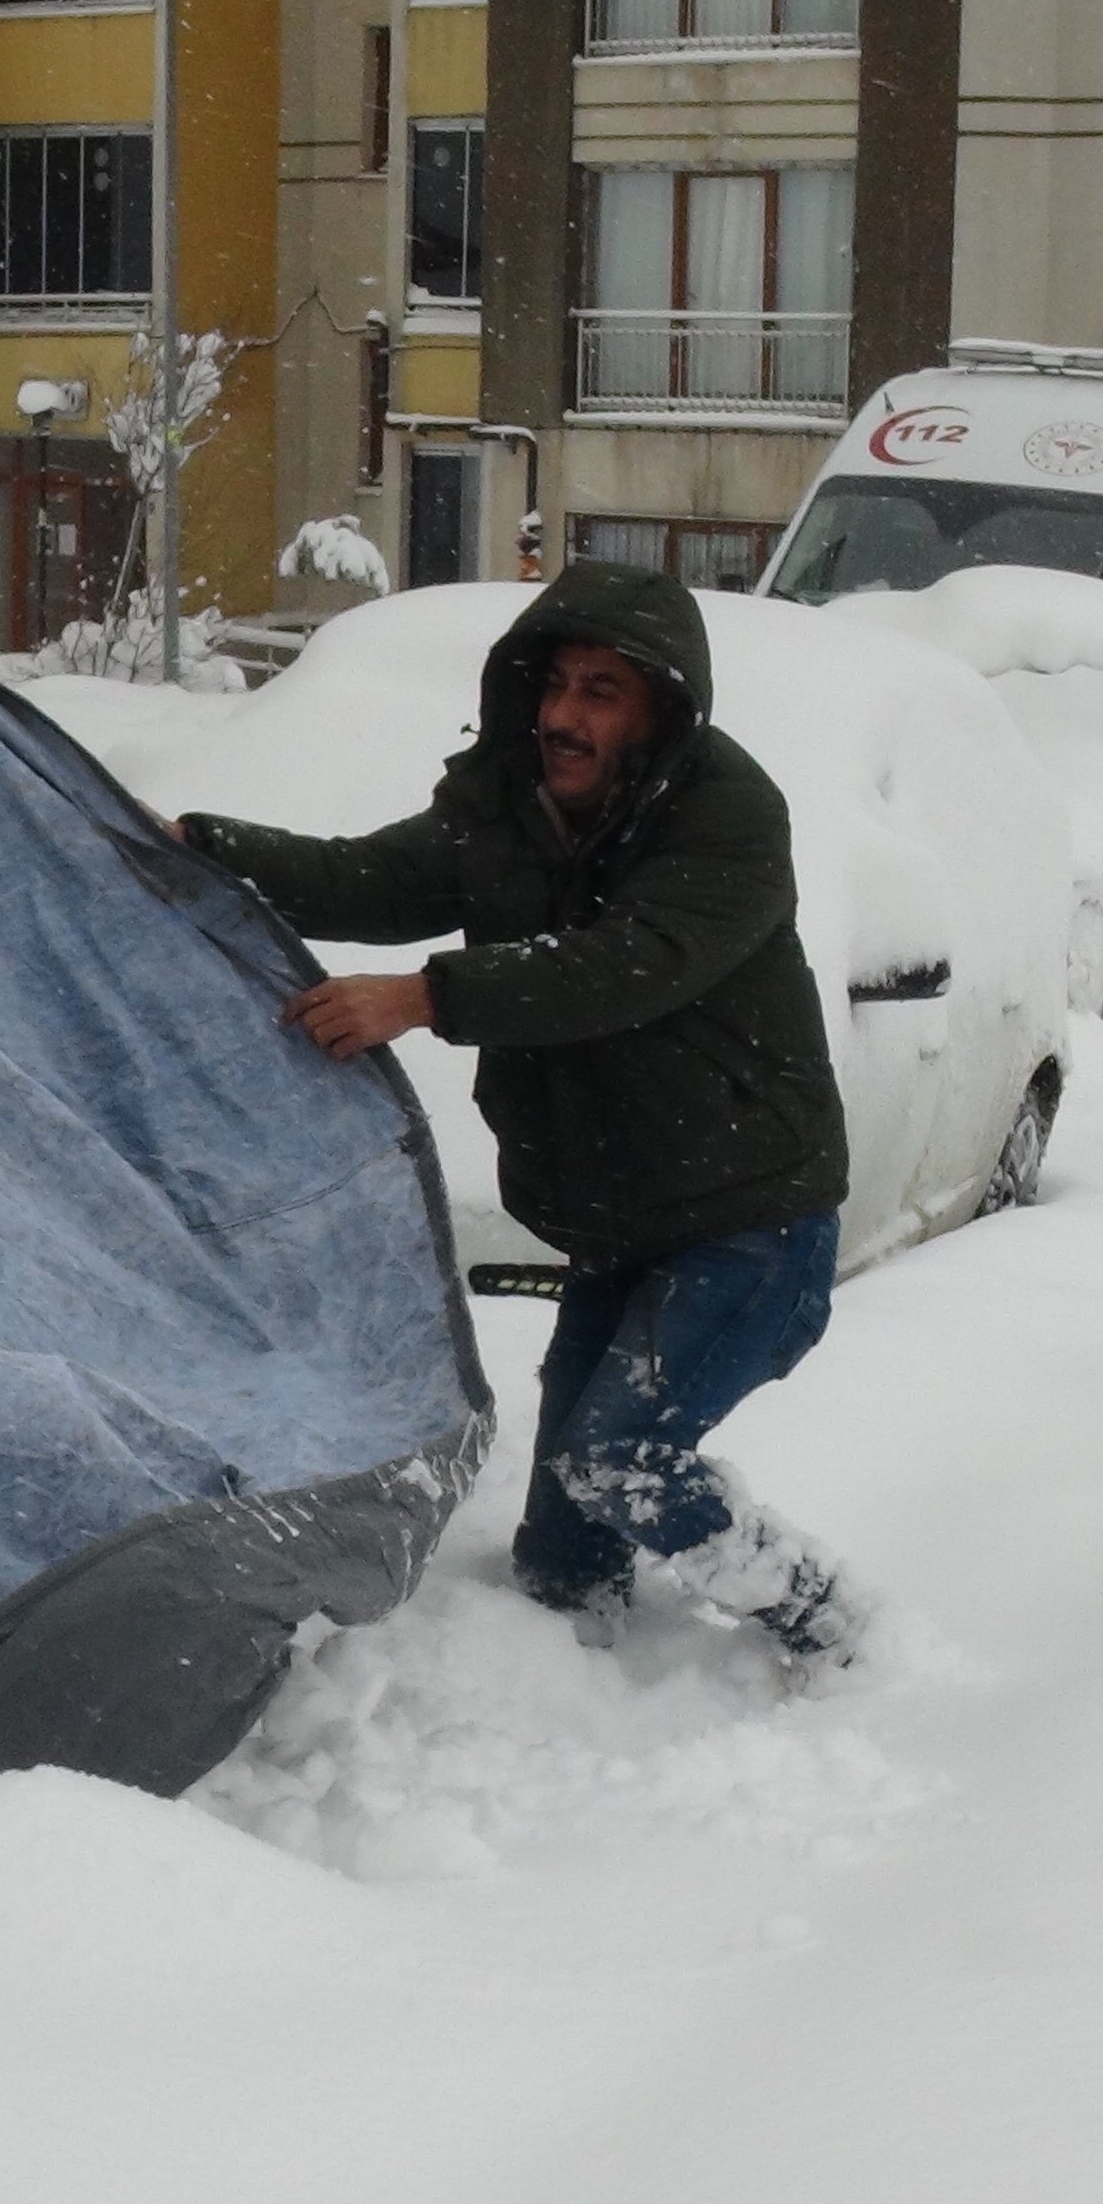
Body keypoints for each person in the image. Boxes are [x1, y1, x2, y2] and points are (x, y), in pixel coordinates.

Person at [178, 560, 876, 1671]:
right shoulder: (511, 803)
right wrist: (202, 854)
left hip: (752, 1226)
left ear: (663, 708)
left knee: (620, 1457)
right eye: (554, 684)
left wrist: (424, 998)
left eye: (600, 691)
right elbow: (369, 880)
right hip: (618, 1227)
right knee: (559, 1558)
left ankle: (827, 1623)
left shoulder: (727, 820)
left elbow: (624, 967)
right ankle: (585, 1698)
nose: (562, 715)